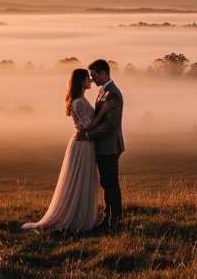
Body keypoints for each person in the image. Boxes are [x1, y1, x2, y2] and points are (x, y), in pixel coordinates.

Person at [22, 68, 115, 232]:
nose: (91, 80)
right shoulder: (78, 102)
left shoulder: (82, 99)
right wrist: (104, 112)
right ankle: (74, 217)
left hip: (86, 143)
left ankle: (81, 214)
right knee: (78, 179)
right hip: (82, 144)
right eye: (88, 78)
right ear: (81, 81)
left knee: (83, 179)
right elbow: (87, 126)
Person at [79, 59, 124, 228]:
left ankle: (115, 220)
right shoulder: (103, 91)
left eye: (94, 75)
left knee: (111, 183)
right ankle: (108, 218)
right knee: (106, 182)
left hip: (110, 145)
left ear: (103, 73)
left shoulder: (112, 93)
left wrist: (89, 135)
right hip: (104, 145)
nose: (91, 79)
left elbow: (110, 124)